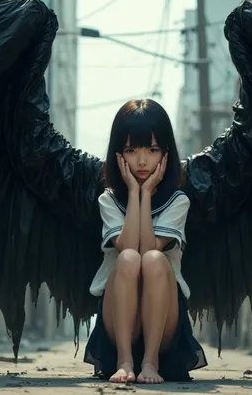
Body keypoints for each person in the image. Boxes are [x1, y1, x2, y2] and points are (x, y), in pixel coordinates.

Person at [83, 98, 208, 384]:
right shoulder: (109, 200)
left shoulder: (178, 202)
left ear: (165, 153)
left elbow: (149, 248)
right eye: (131, 150)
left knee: (152, 259)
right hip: (119, 325)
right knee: (127, 258)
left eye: (151, 150)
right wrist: (133, 191)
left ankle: (150, 361)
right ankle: (124, 360)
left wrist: (147, 192)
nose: (141, 161)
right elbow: (128, 247)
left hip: (164, 324)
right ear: (118, 155)